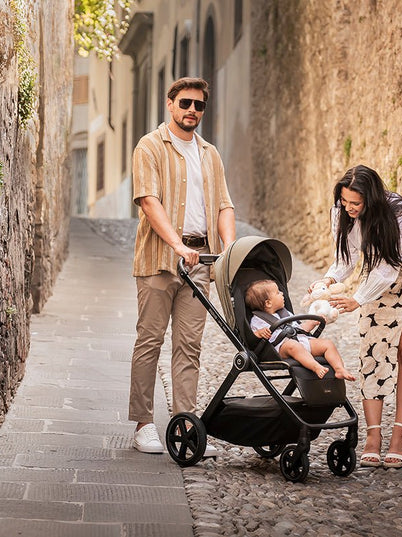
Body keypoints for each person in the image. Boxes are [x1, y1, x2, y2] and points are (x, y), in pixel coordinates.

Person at [129, 77, 236, 454]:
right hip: (160, 261)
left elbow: (224, 204)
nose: (192, 110)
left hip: (200, 261)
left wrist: (229, 249)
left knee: (189, 347)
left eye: (199, 105)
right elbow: (148, 200)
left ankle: (185, 425)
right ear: (171, 105)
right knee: (150, 342)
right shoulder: (150, 146)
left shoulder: (210, 154)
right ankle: (144, 424)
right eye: (186, 103)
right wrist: (175, 245)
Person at [308, 164, 402, 469]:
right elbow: (345, 261)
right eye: (345, 201)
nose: (349, 208)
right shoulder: (341, 211)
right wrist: (328, 281)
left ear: (371, 200)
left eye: (356, 204)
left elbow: (390, 268)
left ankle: (399, 436)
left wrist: (358, 298)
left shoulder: (399, 213)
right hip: (375, 277)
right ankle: (373, 437)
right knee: (374, 354)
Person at [245, 279, 355, 381]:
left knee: (328, 344)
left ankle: (339, 369)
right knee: (293, 345)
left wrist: (312, 323)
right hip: (281, 348)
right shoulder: (257, 320)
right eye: (278, 293)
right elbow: (252, 338)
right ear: (268, 303)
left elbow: (298, 330)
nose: (282, 294)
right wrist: (259, 333)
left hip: (301, 341)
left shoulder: (285, 314)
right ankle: (315, 366)